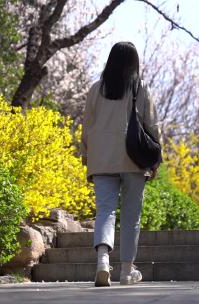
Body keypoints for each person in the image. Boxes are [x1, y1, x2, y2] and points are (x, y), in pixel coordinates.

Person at [80, 41, 162, 287]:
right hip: (133, 159)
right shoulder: (141, 88)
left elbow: (87, 127)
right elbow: (152, 126)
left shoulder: (96, 89)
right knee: (131, 215)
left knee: (105, 211)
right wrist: (155, 160)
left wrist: (87, 156)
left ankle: (103, 261)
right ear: (133, 63)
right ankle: (127, 271)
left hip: (101, 159)